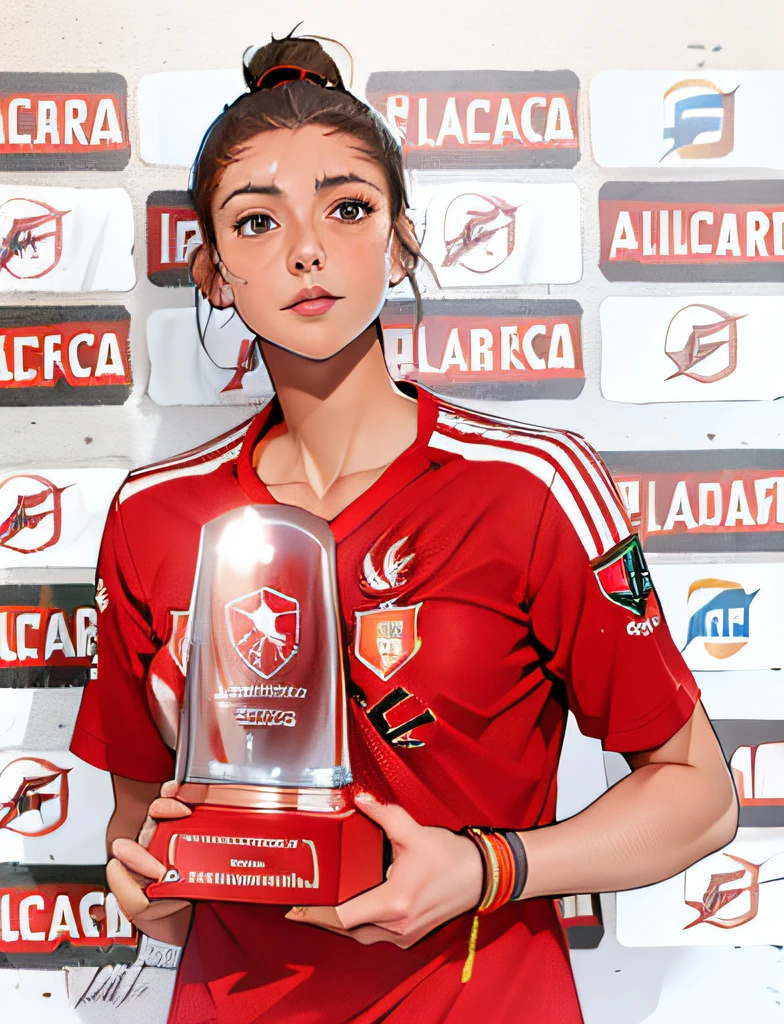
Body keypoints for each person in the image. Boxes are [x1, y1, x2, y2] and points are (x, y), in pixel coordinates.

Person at [70, 30, 739, 1024]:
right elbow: (142, 837)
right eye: (257, 223)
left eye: (347, 209)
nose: (305, 249)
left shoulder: (531, 483)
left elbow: (699, 795)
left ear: (402, 240)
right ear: (211, 274)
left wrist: (483, 868)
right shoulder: (154, 513)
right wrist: (148, 889)